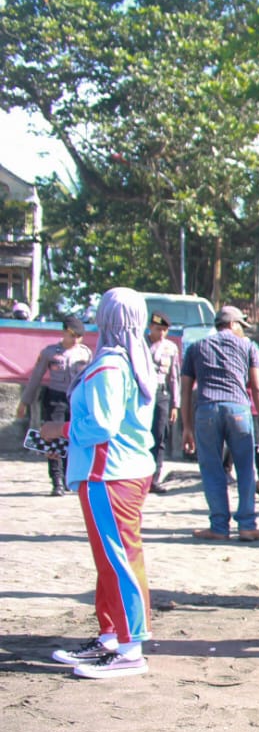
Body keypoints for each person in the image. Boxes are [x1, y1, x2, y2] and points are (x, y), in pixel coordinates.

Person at [45, 289, 157, 678]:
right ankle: (112, 636)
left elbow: (104, 425)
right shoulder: (133, 358)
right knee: (113, 558)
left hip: (108, 474)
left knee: (119, 560)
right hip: (120, 471)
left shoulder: (111, 363)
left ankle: (129, 648)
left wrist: (59, 428)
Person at [181, 305, 259, 541]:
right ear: (232, 324)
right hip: (238, 410)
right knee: (245, 468)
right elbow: (258, 387)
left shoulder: (196, 348)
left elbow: (184, 391)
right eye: (241, 326)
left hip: (206, 409)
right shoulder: (248, 347)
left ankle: (219, 527)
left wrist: (187, 428)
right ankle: (247, 525)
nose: (243, 330)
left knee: (212, 470)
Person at [17, 316, 91, 496]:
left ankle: (68, 477)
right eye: (72, 335)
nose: (75, 340)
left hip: (76, 400)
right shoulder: (50, 352)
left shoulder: (85, 353)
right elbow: (36, 377)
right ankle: (56, 480)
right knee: (53, 438)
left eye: (78, 337)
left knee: (72, 438)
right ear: (64, 332)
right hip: (55, 398)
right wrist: (25, 401)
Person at [145, 312, 182, 492]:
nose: (161, 333)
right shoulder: (139, 344)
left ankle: (154, 477)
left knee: (159, 435)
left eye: (165, 330)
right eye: (158, 329)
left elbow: (174, 378)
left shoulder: (171, 348)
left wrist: (175, 404)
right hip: (142, 394)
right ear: (150, 327)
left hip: (161, 394)